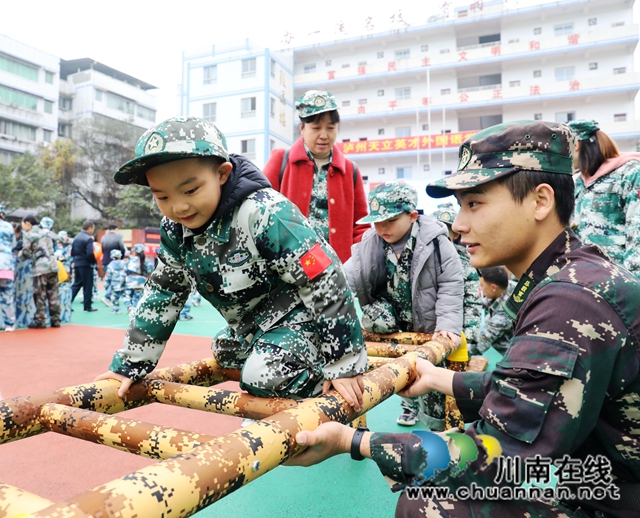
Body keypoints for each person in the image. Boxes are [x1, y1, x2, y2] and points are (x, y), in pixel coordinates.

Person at [289, 120, 640, 518]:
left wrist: (354, 441)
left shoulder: (569, 302)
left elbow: (498, 452)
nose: (458, 224)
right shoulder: (570, 272)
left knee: (426, 506)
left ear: (540, 201)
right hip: (604, 466)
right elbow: (529, 387)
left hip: (613, 492)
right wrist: (442, 379)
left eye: (474, 203)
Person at [94, 116, 367, 412]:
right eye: (162, 196)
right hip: (252, 325)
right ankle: (274, 360)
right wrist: (129, 365)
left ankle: (313, 388)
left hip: (302, 317)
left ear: (222, 174)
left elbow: (323, 277)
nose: (178, 206)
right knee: (225, 351)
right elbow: (164, 293)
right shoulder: (176, 228)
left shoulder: (263, 213)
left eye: (190, 191)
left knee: (263, 374)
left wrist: (343, 362)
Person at [344, 181, 463, 428]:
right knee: (401, 374)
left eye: (390, 220)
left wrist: (448, 324)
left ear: (412, 216)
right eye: (377, 221)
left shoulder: (437, 242)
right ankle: (408, 407)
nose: (382, 228)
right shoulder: (369, 243)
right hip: (391, 321)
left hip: (425, 321)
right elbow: (348, 277)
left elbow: (451, 284)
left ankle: (436, 425)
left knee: (431, 377)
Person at [263, 90, 369, 263]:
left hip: (338, 271)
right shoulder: (281, 160)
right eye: (316, 128)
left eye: (330, 128)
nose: (324, 135)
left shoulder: (350, 170)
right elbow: (259, 211)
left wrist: (356, 263)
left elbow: (360, 226)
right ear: (302, 128)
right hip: (289, 268)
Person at [568, 119, 640, 278]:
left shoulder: (629, 173)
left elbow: (637, 232)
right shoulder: (576, 182)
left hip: (620, 282)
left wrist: (634, 286)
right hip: (584, 281)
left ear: (576, 145)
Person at [431, 202, 483, 355]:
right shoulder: (423, 257)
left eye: (447, 229)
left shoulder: (465, 263)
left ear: (455, 234)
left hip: (454, 332)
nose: (441, 233)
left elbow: (472, 301)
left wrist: (469, 340)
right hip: (427, 329)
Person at [20, 215, 60, 329]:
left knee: (40, 295)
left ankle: (40, 321)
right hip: (52, 266)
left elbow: (26, 253)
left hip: (40, 268)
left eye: (23, 224)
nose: (22, 227)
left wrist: (19, 258)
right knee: (53, 294)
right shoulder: (46, 232)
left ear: (28, 223)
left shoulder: (28, 235)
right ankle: (56, 320)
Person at [476, 266, 514, 356]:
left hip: (521, 355)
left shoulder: (506, 311)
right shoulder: (507, 286)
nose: (481, 289)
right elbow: (483, 304)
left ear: (493, 287)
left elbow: (483, 341)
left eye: (482, 286)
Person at [70, 221, 98, 312]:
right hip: (86, 264)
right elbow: (90, 253)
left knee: (76, 284)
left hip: (77, 263)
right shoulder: (88, 238)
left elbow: (73, 252)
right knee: (88, 285)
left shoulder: (76, 237)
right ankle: (87, 306)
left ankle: (66, 303)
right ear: (90, 228)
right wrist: (94, 261)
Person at [12, 221, 35, 328]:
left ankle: (25, 319)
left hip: (24, 270)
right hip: (11, 268)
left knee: (24, 295)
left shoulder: (25, 237)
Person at [122, 243, 153, 316]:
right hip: (141, 281)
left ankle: (129, 306)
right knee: (137, 298)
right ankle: (135, 311)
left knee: (126, 296)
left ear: (135, 251)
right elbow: (150, 270)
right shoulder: (146, 261)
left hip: (130, 281)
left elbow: (125, 270)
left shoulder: (130, 260)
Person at [0, 204, 16, 332]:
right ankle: (10, 324)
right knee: (7, 295)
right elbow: (13, 244)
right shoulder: (8, 226)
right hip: (6, 265)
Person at [103, 249, 126, 314]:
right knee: (126, 297)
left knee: (114, 297)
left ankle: (116, 309)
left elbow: (108, 277)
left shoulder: (110, 265)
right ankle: (130, 308)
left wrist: (106, 285)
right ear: (120, 256)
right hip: (124, 283)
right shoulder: (124, 263)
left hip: (115, 284)